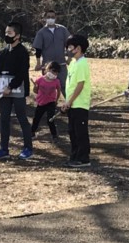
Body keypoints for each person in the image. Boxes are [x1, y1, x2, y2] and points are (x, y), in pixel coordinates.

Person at [0, 22, 33, 160]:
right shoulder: (2, 53)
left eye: (10, 33)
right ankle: (4, 149)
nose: (6, 35)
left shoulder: (23, 52)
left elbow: (21, 73)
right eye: (6, 33)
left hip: (17, 90)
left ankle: (28, 148)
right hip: (3, 91)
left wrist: (11, 86)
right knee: (4, 119)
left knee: (21, 118)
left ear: (17, 36)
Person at [61, 34, 92, 168]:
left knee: (80, 133)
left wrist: (71, 100)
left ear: (78, 48)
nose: (68, 49)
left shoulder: (82, 63)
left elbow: (80, 85)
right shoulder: (73, 62)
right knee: (72, 132)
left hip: (80, 104)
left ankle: (83, 158)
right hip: (72, 104)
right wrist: (66, 101)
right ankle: (74, 156)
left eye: (70, 47)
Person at [33, 10, 71, 96]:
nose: (51, 18)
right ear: (45, 18)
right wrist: (38, 63)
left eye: (52, 17)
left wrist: (69, 58)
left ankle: (70, 105)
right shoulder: (41, 32)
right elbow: (38, 49)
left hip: (61, 64)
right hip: (48, 66)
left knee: (65, 86)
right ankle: (47, 106)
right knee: (48, 87)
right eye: (48, 17)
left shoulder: (62, 30)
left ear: (56, 18)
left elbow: (69, 44)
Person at [31, 61, 62, 143]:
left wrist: (56, 100)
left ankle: (54, 135)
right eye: (53, 71)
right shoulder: (40, 79)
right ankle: (32, 132)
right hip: (41, 102)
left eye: (56, 73)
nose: (54, 74)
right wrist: (35, 86)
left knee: (50, 119)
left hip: (51, 102)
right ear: (47, 69)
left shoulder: (56, 81)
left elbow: (58, 91)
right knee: (36, 118)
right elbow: (35, 91)